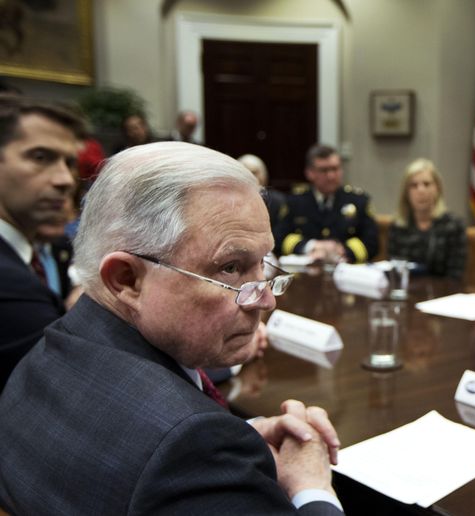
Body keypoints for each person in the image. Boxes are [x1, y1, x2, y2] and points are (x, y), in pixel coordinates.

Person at [0, 142, 343, 515]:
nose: (266, 301)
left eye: (263, 263)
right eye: (231, 268)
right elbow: (170, 447)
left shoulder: (46, 353)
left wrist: (239, 440)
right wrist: (312, 487)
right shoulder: (189, 447)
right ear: (127, 279)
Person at [0, 94, 85, 391]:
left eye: (69, 162)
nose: (66, 180)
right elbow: (70, 378)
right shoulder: (8, 280)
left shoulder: (27, 255)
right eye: (40, 157)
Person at [277, 143, 378, 264]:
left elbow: (372, 243)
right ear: (309, 173)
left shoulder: (358, 201)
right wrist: (311, 246)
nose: (331, 176)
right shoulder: (295, 202)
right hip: (306, 268)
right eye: (323, 170)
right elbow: (279, 239)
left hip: (346, 268)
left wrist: (341, 250)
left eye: (335, 169)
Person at [388, 158, 466, 279]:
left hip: (443, 290)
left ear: (437, 189)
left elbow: (455, 276)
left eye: (427, 184)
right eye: (414, 185)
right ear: (406, 193)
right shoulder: (398, 226)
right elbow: (395, 271)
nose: (421, 190)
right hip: (406, 289)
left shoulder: (453, 226)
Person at [239, 153, 290, 245]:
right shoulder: (230, 203)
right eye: (245, 172)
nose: (250, 177)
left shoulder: (279, 201)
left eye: (254, 172)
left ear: (264, 175)